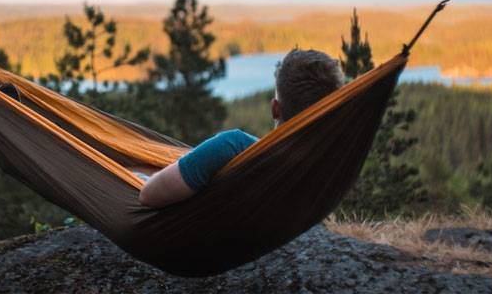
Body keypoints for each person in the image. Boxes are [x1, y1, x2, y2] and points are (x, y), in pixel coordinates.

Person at [137, 49, 345, 208]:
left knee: (136, 172)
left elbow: (148, 196)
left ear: (275, 108)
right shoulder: (333, 162)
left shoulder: (233, 147)